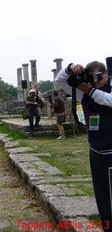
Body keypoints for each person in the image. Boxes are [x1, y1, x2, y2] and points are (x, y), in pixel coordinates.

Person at [56, 61, 112, 229]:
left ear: (106, 74)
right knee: (102, 195)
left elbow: (109, 100)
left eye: (98, 77)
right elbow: (60, 80)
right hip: (96, 150)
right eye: (90, 78)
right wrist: (71, 68)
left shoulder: (102, 90)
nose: (94, 82)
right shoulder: (84, 93)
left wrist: (91, 90)